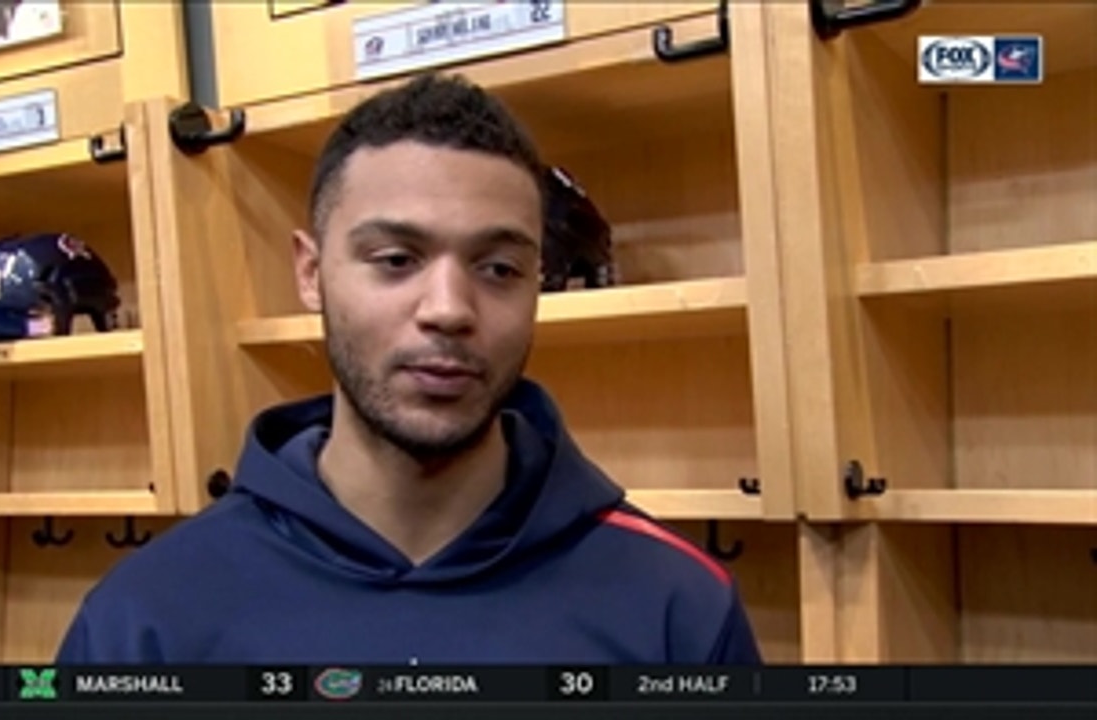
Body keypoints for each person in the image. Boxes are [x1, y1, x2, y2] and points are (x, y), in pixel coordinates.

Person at [55, 72, 763, 665]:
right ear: (311, 273)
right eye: (396, 260)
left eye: (499, 268)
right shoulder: (143, 621)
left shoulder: (679, 607)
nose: (450, 309)